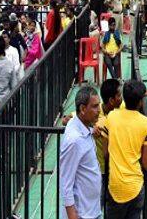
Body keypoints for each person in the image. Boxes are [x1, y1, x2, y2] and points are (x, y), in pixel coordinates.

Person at [103, 80, 147, 219]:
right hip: (135, 187)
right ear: (140, 102)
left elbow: (105, 153)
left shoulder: (112, 117)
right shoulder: (146, 123)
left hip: (115, 187)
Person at [59, 86, 102, 219]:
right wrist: (73, 216)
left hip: (92, 210)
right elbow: (65, 183)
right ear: (83, 109)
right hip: (82, 214)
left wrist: (91, 130)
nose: (99, 110)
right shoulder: (75, 140)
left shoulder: (79, 125)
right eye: (94, 106)